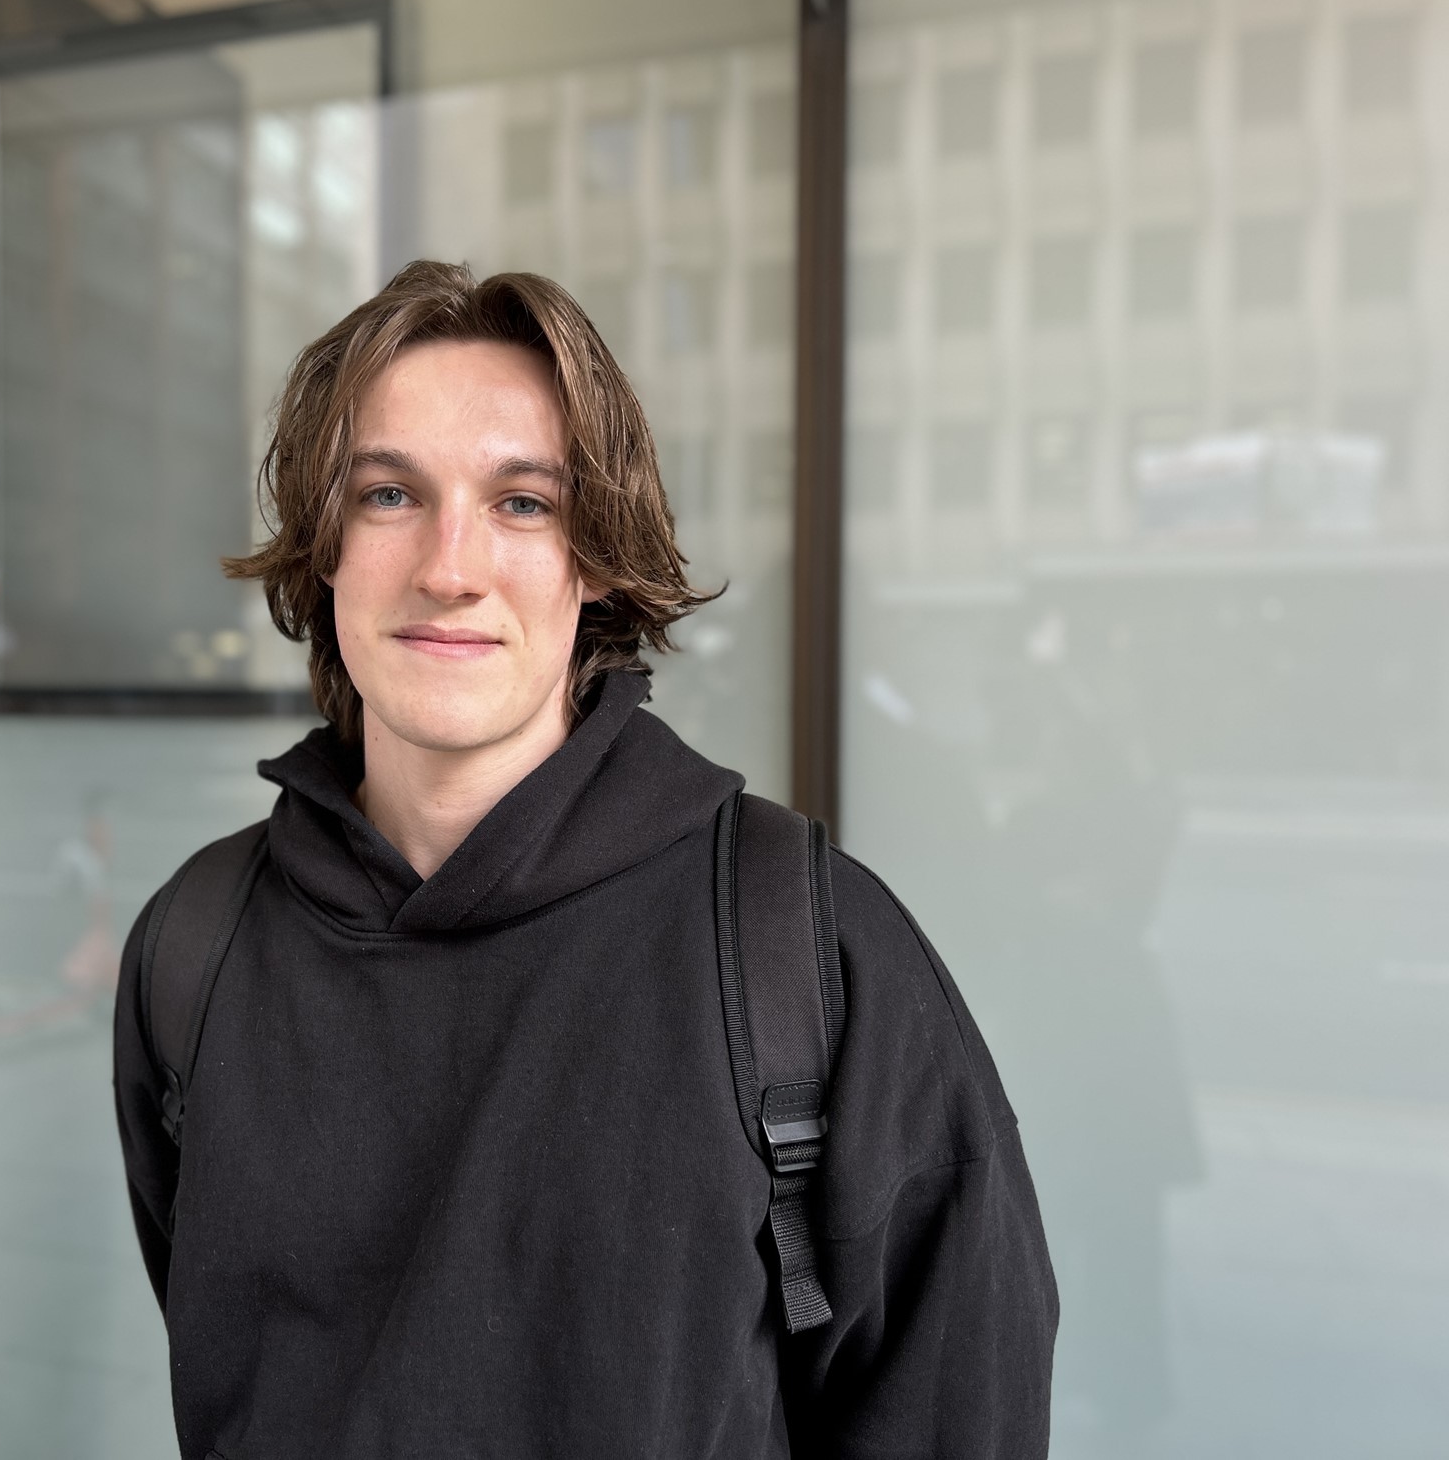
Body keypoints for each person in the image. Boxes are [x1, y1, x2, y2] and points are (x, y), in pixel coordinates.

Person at [114, 261, 1058, 1458]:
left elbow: (949, 1411)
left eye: (521, 503)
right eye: (389, 495)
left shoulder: (800, 947)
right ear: (324, 550)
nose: (450, 567)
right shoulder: (196, 948)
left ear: (595, 556)